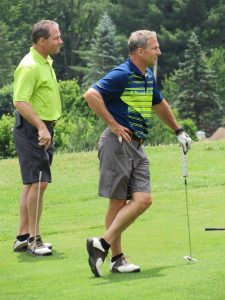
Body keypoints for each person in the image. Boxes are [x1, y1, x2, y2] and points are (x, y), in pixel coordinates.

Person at [84, 30, 191, 277]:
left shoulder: (147, 76)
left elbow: (159, 104)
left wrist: (178, 131)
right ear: (140, 51)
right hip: (118, 143)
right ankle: (117, 259)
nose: (159, 52)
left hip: (138, 145)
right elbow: (91, 94)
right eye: (155, 48)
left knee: (143, 199)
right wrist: (112, 124)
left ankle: (102, 244)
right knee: (118, 201)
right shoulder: (123, 74)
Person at [13, 20, 63, 256]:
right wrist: (42, 127)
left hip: (41, 128)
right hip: (34, 130)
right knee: (39, 183)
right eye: (56, 37)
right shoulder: (30, 66)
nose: (60, 41)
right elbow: (20, 101)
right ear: (42, 41)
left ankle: (23, 237)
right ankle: (34, 239)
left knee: (32, 182)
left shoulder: (45, 61)